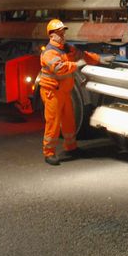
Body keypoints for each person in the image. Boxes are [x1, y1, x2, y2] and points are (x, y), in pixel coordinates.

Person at [38, 19, 108, 166]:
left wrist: (99, 59)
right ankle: (49, 153)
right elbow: (59, 68)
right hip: (52, 93)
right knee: (53, 124)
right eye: (59, 32)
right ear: (51, 35)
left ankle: (71, 147)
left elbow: (84, 55)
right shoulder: (49, 53)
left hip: (64, 92)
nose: (63, 34)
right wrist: (76, 65)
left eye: (63, 31)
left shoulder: (67, 48)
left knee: (69, 122)